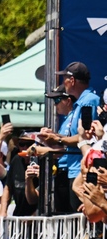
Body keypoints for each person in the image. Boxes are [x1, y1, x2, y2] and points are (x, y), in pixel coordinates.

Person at [39, 62, 101, 214]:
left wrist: (58, 140)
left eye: (64, 79)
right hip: (74, 170)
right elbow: (78, 136)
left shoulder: (89, 100)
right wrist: (54, 136)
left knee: (84, 220)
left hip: (82, 170)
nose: (63, 83)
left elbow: (86, 137)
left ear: (72, 81)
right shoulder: (80, 103)